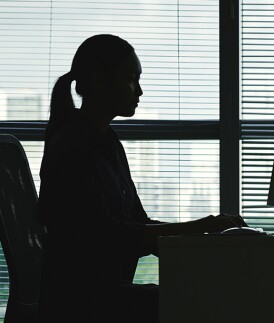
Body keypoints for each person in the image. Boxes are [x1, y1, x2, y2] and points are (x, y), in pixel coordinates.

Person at [36, 34, 247, 323]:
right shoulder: (72, 148)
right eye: (132, 78)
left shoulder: (108, 143)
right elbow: (108, 236)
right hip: (82, 303)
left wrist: (205, 236)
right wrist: (204, 226)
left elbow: (138, 225)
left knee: (208, 294)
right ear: (99, 80)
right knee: (200, 302)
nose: (140, 90)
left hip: (106, 294)